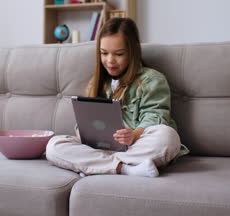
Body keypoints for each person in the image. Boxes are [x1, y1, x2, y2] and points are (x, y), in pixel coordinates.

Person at [46, 17, 188, 177]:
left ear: (132, 51)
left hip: (137, 144)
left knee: (168, 137)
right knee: (53, 146)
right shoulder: (97, 82)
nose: (110, 61)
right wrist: (83, 133)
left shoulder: (152, 79)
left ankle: (94, 165)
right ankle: (125, 168)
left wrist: (134, 135)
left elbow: (155, 116)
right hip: (102, 147)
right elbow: (84, 120)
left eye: (119, 54)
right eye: (104, 53)